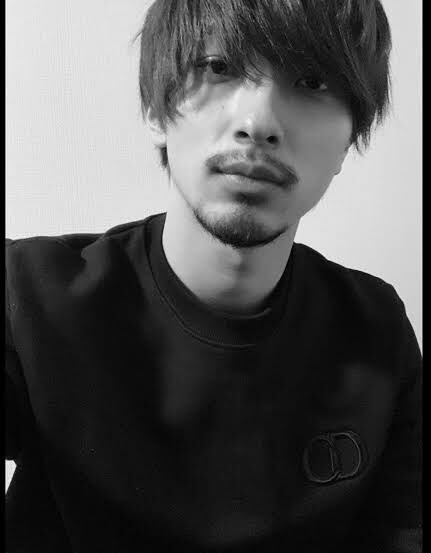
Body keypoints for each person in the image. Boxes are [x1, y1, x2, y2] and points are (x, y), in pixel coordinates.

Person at [5, 0, 422, 551]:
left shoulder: (375, 329)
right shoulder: (29, 295)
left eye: (312, 82)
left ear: (349, 142)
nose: (259, 124)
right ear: (157, 111)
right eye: (219, 67)